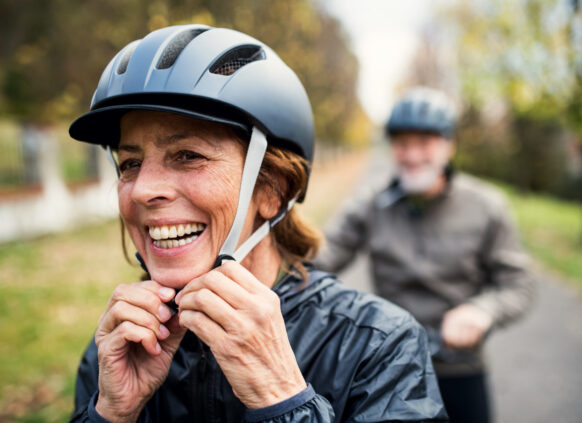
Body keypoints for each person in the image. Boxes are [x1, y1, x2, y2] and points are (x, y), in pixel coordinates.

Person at [67, 25, 447, 422]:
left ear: (272, 190)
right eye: (130, 163)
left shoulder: (380, 346)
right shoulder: (114, 348)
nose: (143, 190)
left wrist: (282, 398)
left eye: (188, 155)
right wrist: (110, 413)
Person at [315, 87, 535, 423]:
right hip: (390, 365)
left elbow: (518, 284)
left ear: (449, 145)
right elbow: (321, 257)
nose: (413, 154)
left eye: (425, 142)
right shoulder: (371, 203)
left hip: (460, 365)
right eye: (403, 143)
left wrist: (482, 311)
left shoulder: (487, 206)